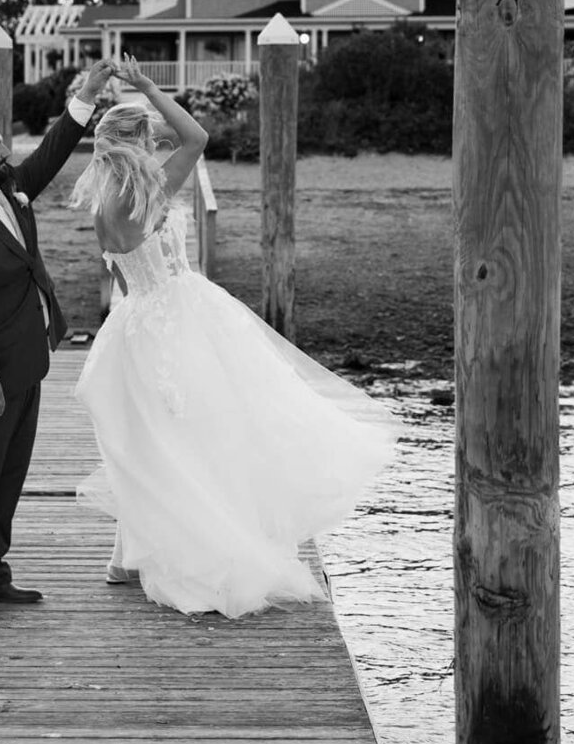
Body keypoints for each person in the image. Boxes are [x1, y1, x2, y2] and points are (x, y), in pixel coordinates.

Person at [69, 57, 398, 618]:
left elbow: (123, 277)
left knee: (149, 443)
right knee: (207, 434)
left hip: (134, 327)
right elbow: (197, 135)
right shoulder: (152, 189)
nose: (157, 143)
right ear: (142, 141)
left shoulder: (103, 207)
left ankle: (128, 555)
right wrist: (150, 86)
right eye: (151, 136)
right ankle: (201, 542)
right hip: (182, 316)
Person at [0, 58, 116, 619]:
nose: (5, 151)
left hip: (26, 362)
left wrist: (88, 93)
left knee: (7, 479)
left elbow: (53, 152)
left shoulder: (9, 191)